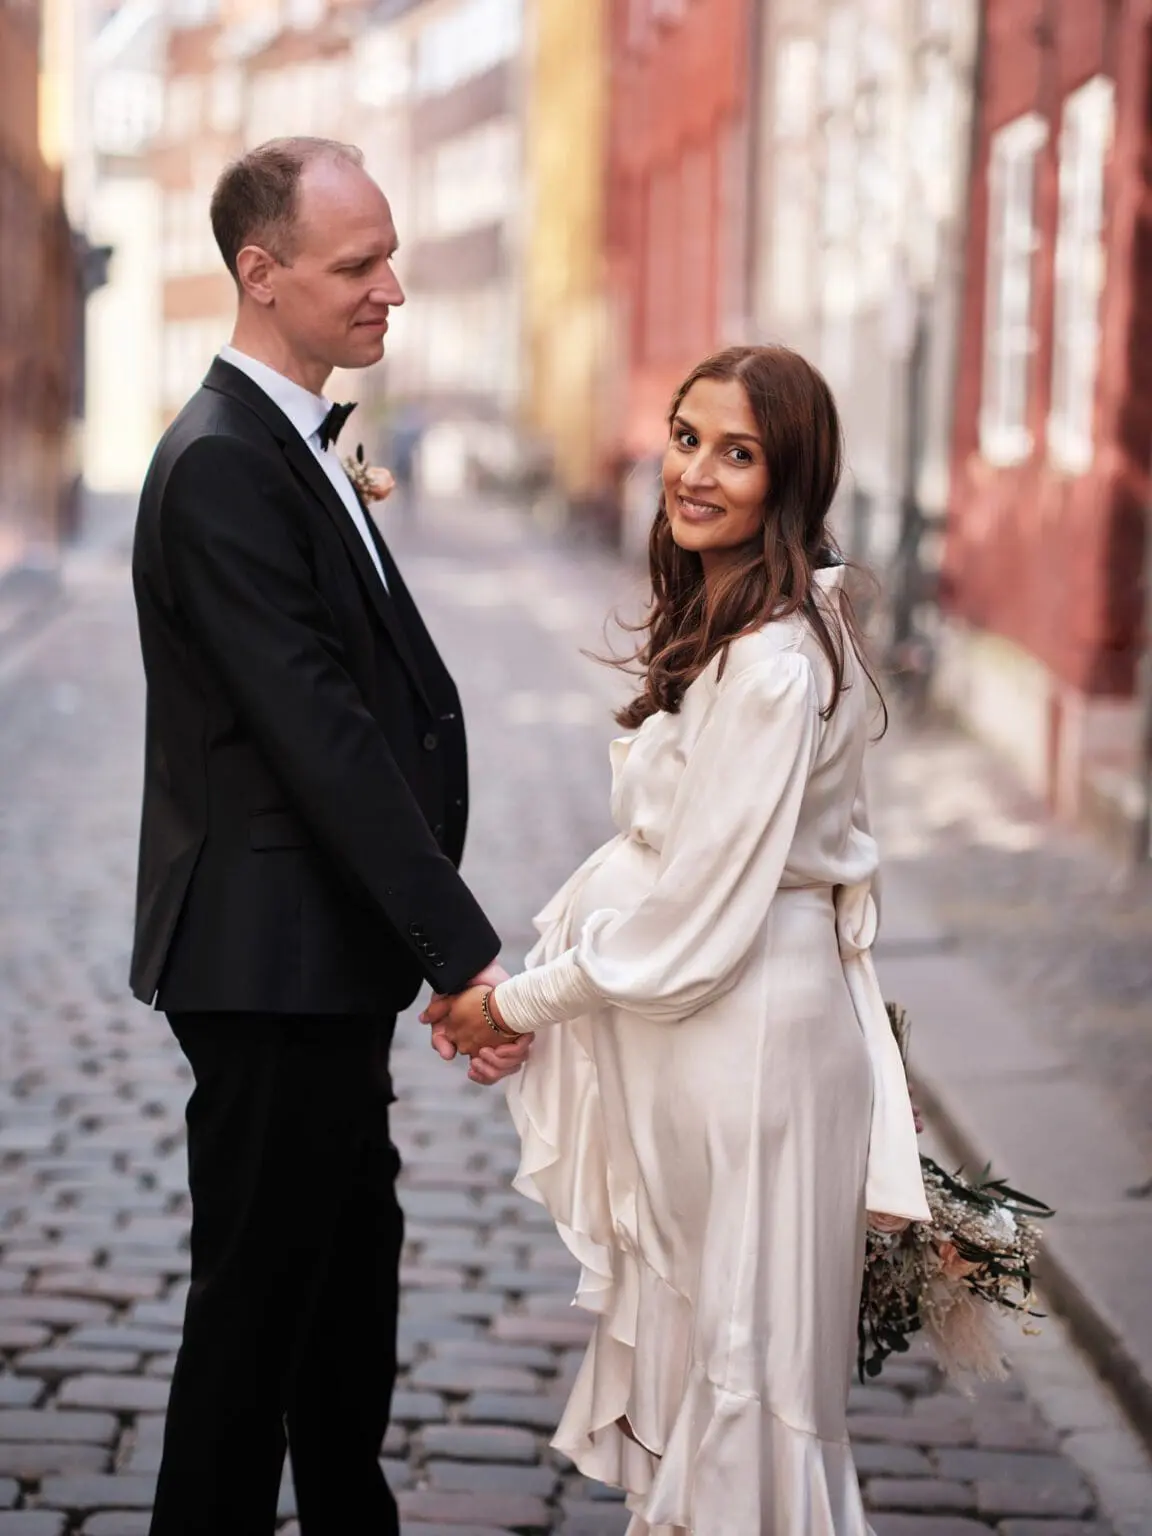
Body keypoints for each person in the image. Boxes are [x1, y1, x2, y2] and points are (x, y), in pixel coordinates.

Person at [427, 346, 931, 1535]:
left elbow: (694, 926)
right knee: (727, 1359)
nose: (696, 472)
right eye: (686, 435)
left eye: (739, 453)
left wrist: (514, 1004)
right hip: (720, 1041)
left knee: (748, 1377)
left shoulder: (770, 665)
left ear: (790, 480)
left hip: (744, 1040)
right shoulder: (758, 626)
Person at [129, 137, 529, 1536]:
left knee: (344, 1298)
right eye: (358, 266)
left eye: (389, 257)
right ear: (262, 274)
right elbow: (322, 740)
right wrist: (462, 959)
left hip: (318, 966)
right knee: (254, 1324)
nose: (392, 290)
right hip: (265, 967)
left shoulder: (296, 445)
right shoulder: (224, 467)